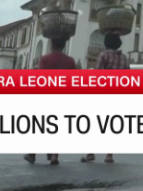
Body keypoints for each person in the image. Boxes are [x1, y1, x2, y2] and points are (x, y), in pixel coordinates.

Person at [24, 36, 75, 165]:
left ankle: (32, 154)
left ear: (51, 45)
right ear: (64, 46)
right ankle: (54, 155)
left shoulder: (45, 59)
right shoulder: (70, 61)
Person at [81, 33, 129, 164]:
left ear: (105, 43)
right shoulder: (124, 58)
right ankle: (109, 155)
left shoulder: (103, 55)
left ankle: (90, 152)